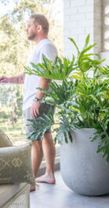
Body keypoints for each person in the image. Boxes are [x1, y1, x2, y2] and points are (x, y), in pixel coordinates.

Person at [0, 14, 57, 191]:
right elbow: (29, 76)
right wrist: (9, 79)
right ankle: (49, 174)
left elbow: (46, 74)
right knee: (46, 135)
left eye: (29, 26)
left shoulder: (46, 46)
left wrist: (37, 100)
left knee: (35, 140)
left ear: (39, 27)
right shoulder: (40, 48)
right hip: (40, 99)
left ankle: (29, 182)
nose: (26, 29)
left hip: (38, 100)